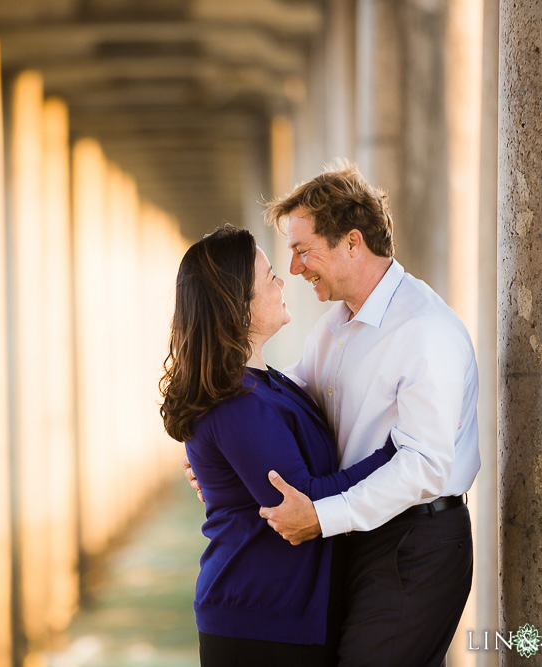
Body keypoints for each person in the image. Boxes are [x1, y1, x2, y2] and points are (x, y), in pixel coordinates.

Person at [183, 162, 479, 666]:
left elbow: (426, 465)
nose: (294, 269)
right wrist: (224, 456)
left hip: (414, 542)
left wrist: (320, 516)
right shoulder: (336, 326)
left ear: (352, 243)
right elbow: (285, 396)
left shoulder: (425, 330)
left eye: (302, 251)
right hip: (355, 537)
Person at [160, 224, 398, 667]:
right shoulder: (235, 404)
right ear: (239, 309)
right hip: (258, 621)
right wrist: (396, 453)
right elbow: (300, 502)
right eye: (269, 277)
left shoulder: (266, 385)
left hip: (278, 612)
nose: (282, 281)